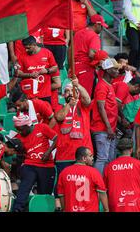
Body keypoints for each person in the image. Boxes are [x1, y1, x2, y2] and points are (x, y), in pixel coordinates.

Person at [53, 78, 93, 210]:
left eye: (71, 90)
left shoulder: (83, 106)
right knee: (62, 186)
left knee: (82, 186)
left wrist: (78, 85)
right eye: (66, 91)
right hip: (64, 155)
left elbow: (87, 99)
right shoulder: (61, 107)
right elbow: (58, 118)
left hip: (82, 155)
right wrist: (69, 105)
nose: (69, 93)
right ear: (63, 95)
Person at [12, 114, 57, 212]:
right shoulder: (18, 137)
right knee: (25, 185)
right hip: (30, 164)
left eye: (21, 129)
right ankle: (17, 209)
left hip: (47, 165)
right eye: (17, 129)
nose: (19, 132)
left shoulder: (42, 127)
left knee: (44, 194)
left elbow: (57, 139)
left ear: (27, 126)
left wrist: (48, 151)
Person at [91, 58, 121, 175]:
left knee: (108, 159)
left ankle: (105, 185)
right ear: (108, 70)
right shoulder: (102, 86)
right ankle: (98, 184)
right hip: (101, 128)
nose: (118, 71)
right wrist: (108, 127)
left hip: (108, 128)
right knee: (102, 158)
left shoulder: (108, 85)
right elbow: (100, 107)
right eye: (115, 69)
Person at [57, 146, 109, 212]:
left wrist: (64, 209)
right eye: (90, 156)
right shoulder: (94, 172)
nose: (93, 158)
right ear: (84, 158)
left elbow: (61, 195)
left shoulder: (64, 172)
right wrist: (106, 209)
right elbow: (102, 192)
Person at [103, 138, 140, 212]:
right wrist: (139, 200)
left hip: (115, 205)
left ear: (119, 150)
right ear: (131, 150)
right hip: (134, 206)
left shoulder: (109, 166)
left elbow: (103, 190)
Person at [16, 36, 58, 104]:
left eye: (28, 48)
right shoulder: (22, 56)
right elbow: (18, 73)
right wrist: (30, 75)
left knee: (46, 113)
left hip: (45, 93)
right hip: (29, 94)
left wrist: (47, 70)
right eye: (25, 48)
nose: (26, 50)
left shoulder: (47, 53)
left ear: (34, 44)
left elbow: (55, 68)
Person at [72, 14, 107, 96]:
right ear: (96, 25)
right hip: (86, 69)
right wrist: (102, 59)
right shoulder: (94, 36)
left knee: (75, 96)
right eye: (101, 26)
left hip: (74, 67)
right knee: (84, 97)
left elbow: (70, 50)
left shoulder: (78, 33)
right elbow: (92, 54)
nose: (102, 29)